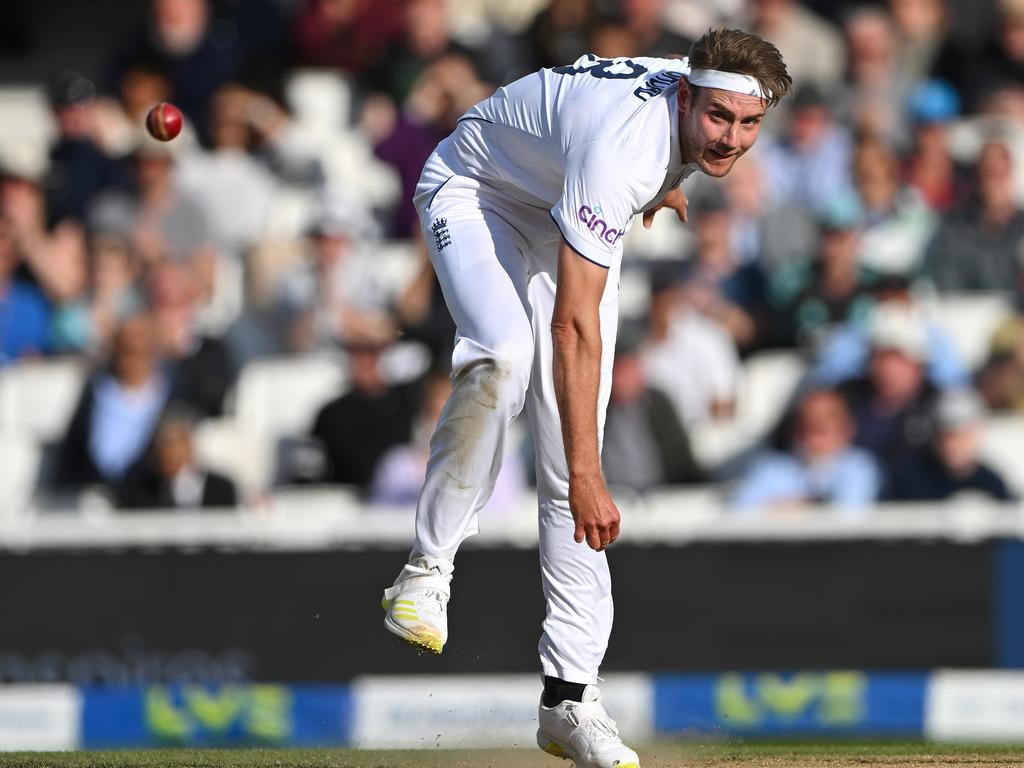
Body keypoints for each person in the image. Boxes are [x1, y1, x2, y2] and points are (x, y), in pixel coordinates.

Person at [379, 29, 791, 768]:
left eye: (749, 124)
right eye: (718, 120)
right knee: (505, 359)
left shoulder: (684, 102)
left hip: (560, 204)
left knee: (575, 469)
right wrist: (591, 474)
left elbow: (653, 134)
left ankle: (570, 703)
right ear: (687, 97)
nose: (731, 140)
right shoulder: (621, 156)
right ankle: (426, 568)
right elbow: (573, 328)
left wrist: (671, 177)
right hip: (477, 195)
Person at [730, 389, 881, 513]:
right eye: (806, 428)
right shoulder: (772, 468)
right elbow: (742, 511)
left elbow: (848, 514)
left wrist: (784, 508)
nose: (812, 439)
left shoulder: (861, 467)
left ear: (846, 430)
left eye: (822, 430)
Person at [884, 389, 1015, 502]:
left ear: (976, 432)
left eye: (960, 435)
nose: (951, 444)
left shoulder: (992, 483)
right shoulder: (908, 478)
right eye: (945, 434)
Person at [115, 403, 238, 509]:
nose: (167, 452)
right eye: (161, 444)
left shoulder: (221, 488)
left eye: (173, 443)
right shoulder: (139, 489)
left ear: (189, 443)